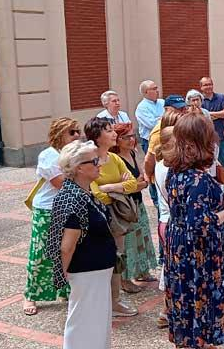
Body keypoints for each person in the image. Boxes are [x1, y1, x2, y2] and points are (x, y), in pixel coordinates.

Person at [164, 113, 224, 348]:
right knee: (202, 300)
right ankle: (201, 341)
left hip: (179, 246)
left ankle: (193, 340)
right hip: (200, 254)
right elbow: (199, 224)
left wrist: (223, 200)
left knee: (186, 300)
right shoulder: (198, 178)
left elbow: (187, 207)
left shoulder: (176, 171)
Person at [48, 140, 117, 348]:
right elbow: (66, 246)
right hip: (86, 271)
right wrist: (62, 274)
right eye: (94, 161)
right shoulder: (73, 197)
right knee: (83, 323)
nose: (100, 164)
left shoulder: (82, 192)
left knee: (97, 322)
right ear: (79, 168)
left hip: (95, 270)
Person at [23, 117, 81, 316]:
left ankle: (65, 289)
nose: (77, 135)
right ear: (59, 135)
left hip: (68, 208)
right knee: (41, 252)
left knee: (67, 251)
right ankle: (31, 294)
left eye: (77, 131)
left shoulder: (74, 154)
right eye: (72, 132)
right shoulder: (48, 155)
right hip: (47, 209)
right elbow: (61, 183)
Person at [84, 118, 140, 317]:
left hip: (117, 217)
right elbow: (93, 193)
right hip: (97, 216)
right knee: (98, 259)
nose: (114, 134)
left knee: (118, 257)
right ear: (97, 137)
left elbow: (133, 184)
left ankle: (115, 300)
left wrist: (111, 187)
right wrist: (118, 188)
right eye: (109, 131)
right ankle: (99, 301)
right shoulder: (89, 159)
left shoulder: (114, 159)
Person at [110, 123, 158, 290]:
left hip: (137, 202)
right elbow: (127, 185)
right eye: (126, 137)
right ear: (117, 140)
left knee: (141, 237)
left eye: (132, 136)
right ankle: (125, 280)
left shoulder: (132, 152)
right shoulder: (115, 159)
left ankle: (141, 271)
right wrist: (137, 184)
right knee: (127, 243)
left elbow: (142, 178)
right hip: (125, 206)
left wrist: (138, 183)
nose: (131, 140)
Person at [153, 126, 175, 330]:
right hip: (171, 221)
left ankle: (166, 310)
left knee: (169, 268)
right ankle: (167, 310)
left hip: (165, 220)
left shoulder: (160, 164)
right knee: (172, 269)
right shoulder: (169, 168)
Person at [135, 80, 164, 209]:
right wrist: (161, 118)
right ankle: (155, 199)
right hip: (149, 141)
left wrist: (159, 118)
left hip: (164, 139)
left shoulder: (162, 102)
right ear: (146, 92)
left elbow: (165, 118)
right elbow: (152, 125)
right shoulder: (142, 108)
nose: (157, 90)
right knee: (152, 170)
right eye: (154, 88)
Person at [200, 77, 224, 168]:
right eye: (205, 85)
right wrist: (218, 114)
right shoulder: (199, 100)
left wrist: (207, 114)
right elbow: (200, 117)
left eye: (210, 84)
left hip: (221, 137)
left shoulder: (221, 98)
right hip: (206, 139)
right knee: (210, 165)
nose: (208, 86)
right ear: (201, 87)